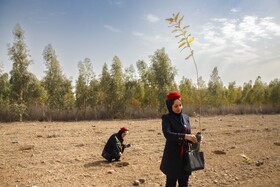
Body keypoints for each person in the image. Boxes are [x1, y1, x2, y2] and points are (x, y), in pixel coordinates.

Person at [160, 91, 198, 187]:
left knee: (184, 182)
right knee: (171, 183)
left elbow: (188, 133)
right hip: (173, 157)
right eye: (176, 106)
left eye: (180, 105)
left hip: (185, 156)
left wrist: (195, 138)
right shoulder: (167, 118)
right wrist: (185, 136)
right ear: (170, 106)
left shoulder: (186, 117)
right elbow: (167, 134)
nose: (179, 108)